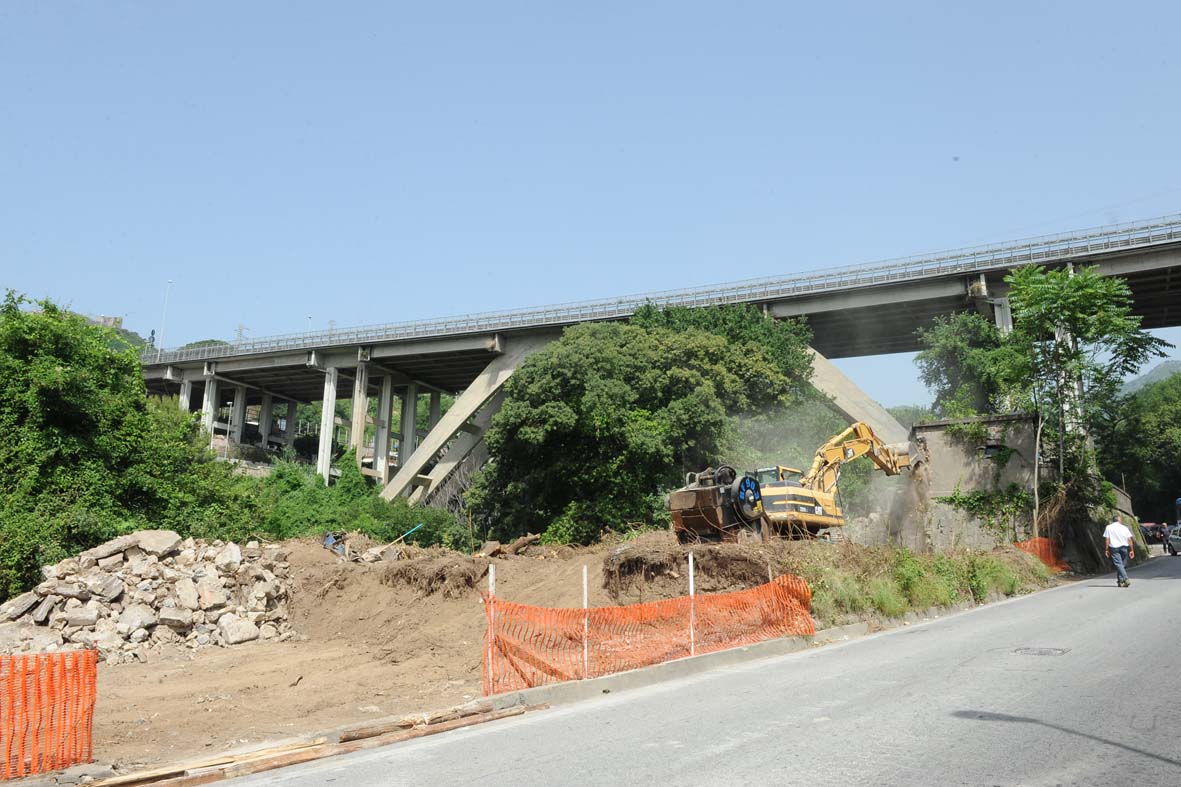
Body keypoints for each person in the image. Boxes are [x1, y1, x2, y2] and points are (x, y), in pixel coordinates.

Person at [1103, 514, 1135, 587]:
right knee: (1121, 564)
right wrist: (1132, 550)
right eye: (1121, 520)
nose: (1122, 521)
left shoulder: (1109, 527)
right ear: (1119, 520)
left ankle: (1125, 579)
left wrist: (1106, 549)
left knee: (1119, 564)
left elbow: (1107, 539)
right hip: (1124, 547)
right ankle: (1120, 581)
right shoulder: (1124, 527)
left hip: (1114, 548)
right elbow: (1129, 539)